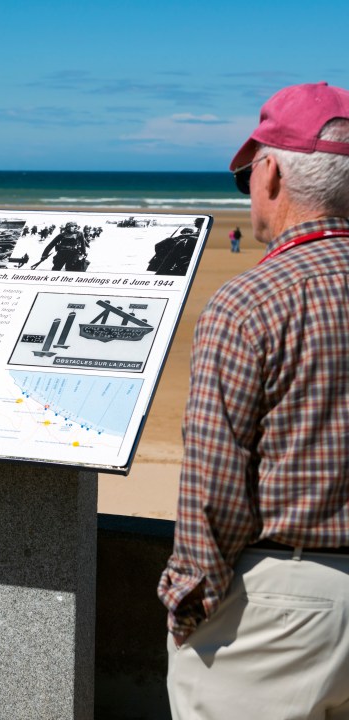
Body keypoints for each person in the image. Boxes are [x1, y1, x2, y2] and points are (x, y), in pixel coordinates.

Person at [158, 82, 349, 719]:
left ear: (270, 174)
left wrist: (190, 605)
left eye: (247, 174)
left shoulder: (251, 304)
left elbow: (213, 490)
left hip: (283, 603)